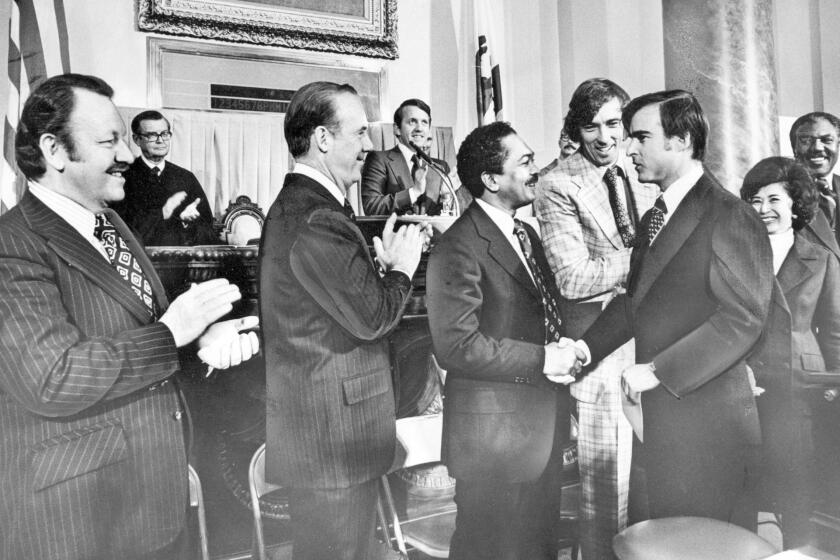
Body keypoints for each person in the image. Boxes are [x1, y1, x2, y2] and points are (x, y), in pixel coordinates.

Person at [0, 73, 259, 560]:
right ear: (55, 151)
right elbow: (50, 378)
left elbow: (139, 336)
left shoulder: (110, 222)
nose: (125, 155)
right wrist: (171, 334)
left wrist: (199, 343)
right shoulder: (12, 244)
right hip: (80, 521)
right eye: (109, 141)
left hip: (152, 502)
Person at [556, 90, 773, 527]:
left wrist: (658, 371)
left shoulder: (728, 213)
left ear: (681, 140)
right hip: (666, 421)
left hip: (712, 425)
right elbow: (636, 301)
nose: (627, 148)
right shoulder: (657, 213)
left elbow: (743, 319)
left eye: (640, 137)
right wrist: (584, 350)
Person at [259, 81, 428, 560]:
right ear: (323, 139)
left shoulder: (307, 207)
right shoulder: (316, 216)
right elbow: (374, 318)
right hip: (333, 444)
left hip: (330, 440)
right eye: (358, 134)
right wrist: (399, 269)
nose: (368, 147)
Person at [426, 121, 578, 560]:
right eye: (526, 162)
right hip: (492, 446)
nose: (538, 171)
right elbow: (457, 346)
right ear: (491, 180)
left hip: (538, 434)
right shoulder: (458, 246)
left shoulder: (525, 235)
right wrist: (545, 359)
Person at [535, 78, 658, 559]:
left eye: (613, 124)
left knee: (653, 486)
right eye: (591, 127)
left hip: (655, 347)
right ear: (576, 129)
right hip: (601, 352)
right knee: (606, 497)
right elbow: (573, 278)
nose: (605, 138)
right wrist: (649, 260)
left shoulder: (642, 169)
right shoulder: (558, 183)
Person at [740, 156, 840, 547]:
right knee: (745, 484)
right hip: (743, 379)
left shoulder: (821, 257)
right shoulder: (736, 251)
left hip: (800, 387)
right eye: (755, 200)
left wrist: (833, 389)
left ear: (796, 203)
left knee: (798, 489)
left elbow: (834, 331)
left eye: (774, 199)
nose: (763, 210)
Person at [111, 110, 217, 246]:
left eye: (164, 134)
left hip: (181, 261)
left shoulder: (185, 177)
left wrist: (187, 222)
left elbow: (208, 227)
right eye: (152, 135)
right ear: (137, 139)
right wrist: (164, 212)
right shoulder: (124, 177)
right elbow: (120, 229)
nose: (160, 140)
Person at [361, 98, 453, 215]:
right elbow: (372, 207)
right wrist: (414, 192)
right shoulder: (378, 159)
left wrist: (448, 197)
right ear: (397, 129)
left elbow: (448, 215)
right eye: (412, 122)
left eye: (424, 122)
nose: (419, 128)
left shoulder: (440, 167)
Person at [790, 111, 840, 257]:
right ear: (794, 148)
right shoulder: (781, 191)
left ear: (838, 145)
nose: (817, 147)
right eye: (806, 140)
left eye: (827, 140)